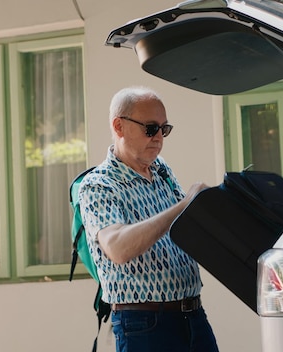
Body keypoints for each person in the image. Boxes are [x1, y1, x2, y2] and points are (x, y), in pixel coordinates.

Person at [78, 86, 219, 352]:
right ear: (119, 126)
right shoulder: (98, 185)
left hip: (192, 315)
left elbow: (186, 226)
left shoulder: (161, 169)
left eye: (164, 129)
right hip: (144, 324)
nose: (159, 138)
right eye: (150, 128)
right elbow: (117, 248)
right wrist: (183, 205)